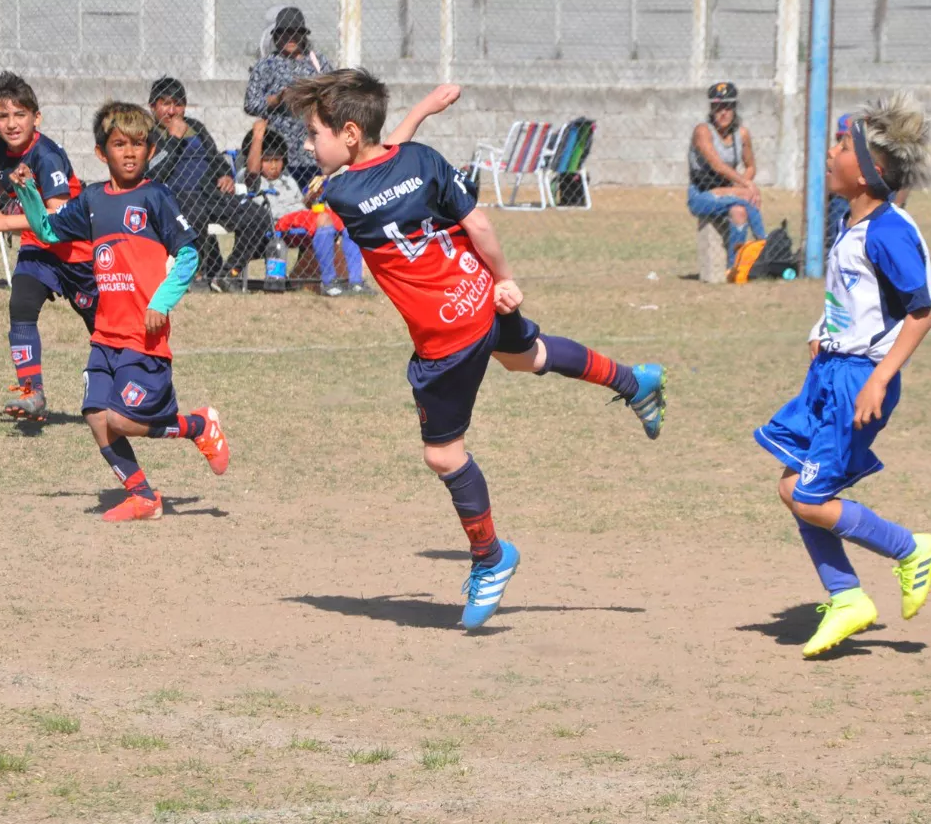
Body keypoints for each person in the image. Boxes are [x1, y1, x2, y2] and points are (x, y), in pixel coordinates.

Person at [285, 68, 667, 631]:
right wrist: (505, 278)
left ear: (345, 133)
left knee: (443, 454)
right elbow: (467, 214)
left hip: (446, 337)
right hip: (481, 291)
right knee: (526, 356)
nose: (307, 145)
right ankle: (633, 381)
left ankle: (491, 556)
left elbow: (370, 165)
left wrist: (419, 111)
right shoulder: (425, 161)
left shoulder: (340, 192)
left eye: (312, 133)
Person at [753, 93, 931, 659]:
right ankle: (846, 596)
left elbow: (921, 310)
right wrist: (823, 327)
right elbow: (855, 297)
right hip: (831, 372)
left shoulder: (888, 230)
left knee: (811, 496)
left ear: (868, 172)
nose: (832, 151)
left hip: (859, 380)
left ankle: (910, 550)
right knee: (793, 488)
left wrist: (880, 378)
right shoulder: (851, 220)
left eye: (842, 145)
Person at [11, 102, 230, 522]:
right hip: (105, 336)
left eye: (138, 144)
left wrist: (160, 303)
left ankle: (198, 426)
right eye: (119, 144)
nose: (129, 152)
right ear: (101, 152)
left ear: (149, 151)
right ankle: (143, 496)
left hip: (143, 339)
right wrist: (28, 193)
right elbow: (49, 231)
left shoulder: (156, 197)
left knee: (122, 420)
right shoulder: (92, 199)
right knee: (96, 417)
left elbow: (187, 255)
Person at [0, 72, 98, 421]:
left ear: (36, 118)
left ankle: (131, 388)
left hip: (75, 252)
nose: (10, 124)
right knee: (21, 305)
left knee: (103, 328)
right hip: (38, 249)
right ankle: (32, 393)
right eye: (2, 116)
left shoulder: (47, 156)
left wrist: (1, 222)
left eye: (19, 115)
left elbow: (56, 219)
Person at [147, 76, 273, 292]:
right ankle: (190, 277)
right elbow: (155, 173)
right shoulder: (150, 134)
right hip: (177, 198)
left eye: (178, 104)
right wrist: (174, 139)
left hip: (211, 194)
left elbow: (216, 158)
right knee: (195, 211)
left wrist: (225, 175)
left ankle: (227, 275)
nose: (172, 111)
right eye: (165, 104)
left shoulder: (195, 127)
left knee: (257, 216)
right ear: (153, 106)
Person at [239, 119, 368, 295]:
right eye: (268, 161)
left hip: (301, 221)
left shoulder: (287, 180)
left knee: (346, 221)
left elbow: (303, 205)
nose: (274, 165)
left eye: (278, 160)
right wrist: (258, 138)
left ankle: (356, 282)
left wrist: (311, 197)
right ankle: (329, 283)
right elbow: (252, 171)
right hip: (277, 223)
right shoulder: (250, 178)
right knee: (323, 218)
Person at [245, 6, 334, 186]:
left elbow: (334, 96)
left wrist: (314, 99)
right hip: (278, 156)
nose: (290, 38)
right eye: (284, 33)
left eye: (295, 33)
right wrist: (275, 100)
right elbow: (250, 104)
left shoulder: (318, 62)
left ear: (303, 35)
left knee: (314, 202)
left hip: (313, 152)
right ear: (276, 36)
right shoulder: (266, 65)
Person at [686, 82, 764, 260]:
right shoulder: (703, 131)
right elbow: (717, 165)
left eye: (728, 107)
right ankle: (764, 243)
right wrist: (746, 187)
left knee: (739, 211)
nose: (723, 112)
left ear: (735, 108)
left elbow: (751, 166)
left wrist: (738, 187)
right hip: (701, 194)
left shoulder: (741, 134)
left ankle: (734, 265)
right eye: (718, 107)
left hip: (727, 192)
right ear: (711, 109)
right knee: (745, 200)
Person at [827, 114, 911, 253]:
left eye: (844, 148)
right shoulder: (846, 222)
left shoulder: (890, 235)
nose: (831, 151)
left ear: (866, 175)